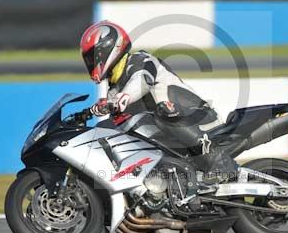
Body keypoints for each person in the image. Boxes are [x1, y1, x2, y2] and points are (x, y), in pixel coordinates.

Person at [79, 20, 238, 184]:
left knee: (163, 110)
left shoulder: (141, 60)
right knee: (109, 129)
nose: (90, 63)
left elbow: (140, 80)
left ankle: (218, 160)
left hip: (196, 117)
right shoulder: (114, 87)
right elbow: (115, 119)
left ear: (107, 49)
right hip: (171, 136)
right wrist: (87, 114)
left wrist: (123, 98)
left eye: (92, 57)